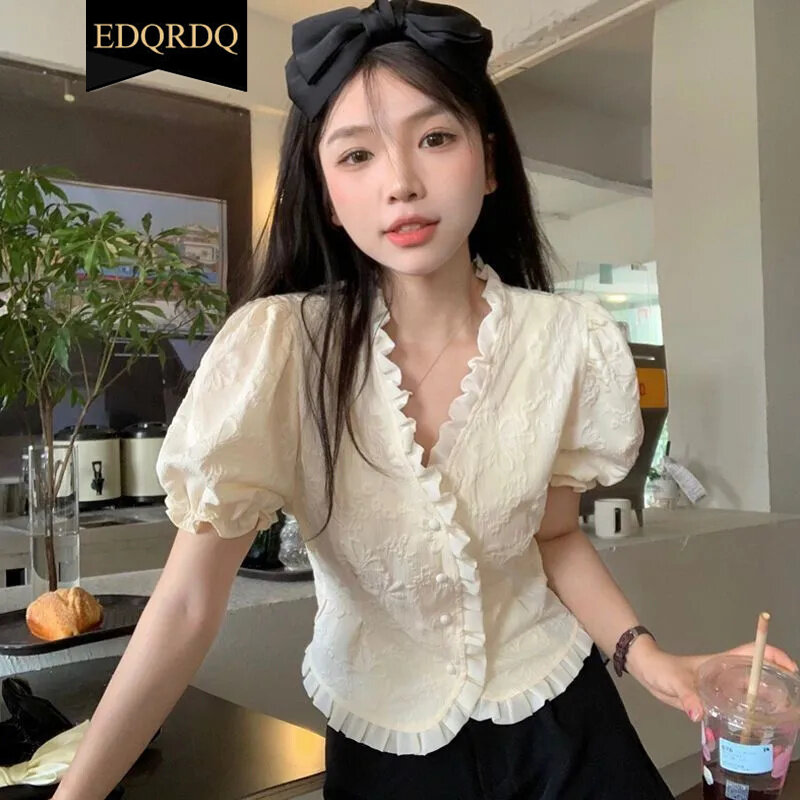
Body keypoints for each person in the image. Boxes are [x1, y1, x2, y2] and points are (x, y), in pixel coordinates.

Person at [53, 1, 798, 798]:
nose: (401, 184)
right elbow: (186, 606)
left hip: (561, 718)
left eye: (435, 138)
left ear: (489, 160)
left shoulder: (564, 340)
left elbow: (555, 537)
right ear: (326, 194)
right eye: (356, 155)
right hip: (387, 747)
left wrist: (648, 659)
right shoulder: (282, 352)